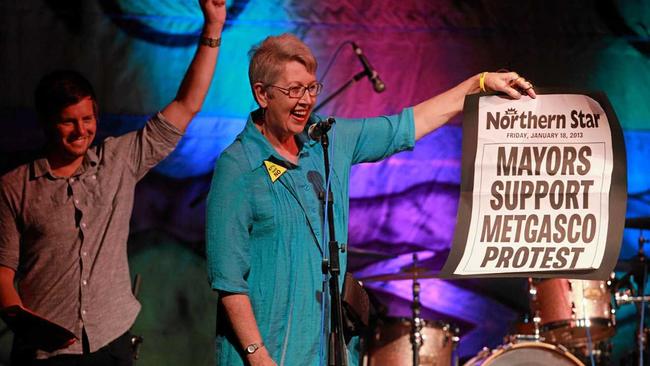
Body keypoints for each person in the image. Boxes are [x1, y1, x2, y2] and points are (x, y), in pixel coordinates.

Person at [205, 33, 536, 366]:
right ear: (262, 94)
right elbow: (229, 280)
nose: (305, 100)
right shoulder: (238, 167)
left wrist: (476, 85)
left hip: (327, 354)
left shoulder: (327, 140)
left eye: (311, 88)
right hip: (267, 354)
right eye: (293, 90)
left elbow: (404, 127)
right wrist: (257, 355)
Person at [0, 1, 226, 364]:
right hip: (48, 350)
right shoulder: (15, 187)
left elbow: (186, 106)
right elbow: (4, 266)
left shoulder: (118, 160)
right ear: (46, 122)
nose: (81, 130)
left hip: (112, 341)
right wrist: (17, 315)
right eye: (68, 121)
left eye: (87, 118)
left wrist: (213, 27)